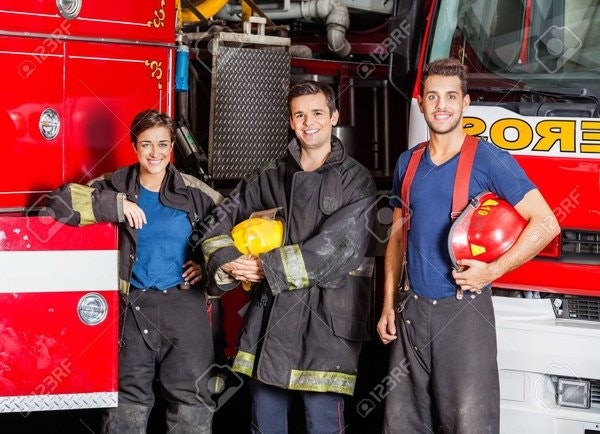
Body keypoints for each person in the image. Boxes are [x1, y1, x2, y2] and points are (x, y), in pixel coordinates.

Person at [376, 58, 560, 434]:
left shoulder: (489, 159)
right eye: (432, 96)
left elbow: (547, 223)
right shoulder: (407, 163)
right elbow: (396, 237)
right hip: (411, 314)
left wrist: (494, 270)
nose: (440, 105)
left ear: (465, 103)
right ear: (422, 104)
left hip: (462, 317)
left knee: (469, 425)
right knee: (403, 424)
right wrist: (388, 305)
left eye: (450, 97)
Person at [200, 80, 377, 434]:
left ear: (333, 117)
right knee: (264, 422)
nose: (308, 122)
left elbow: (338, 249)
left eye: (317, 113)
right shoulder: (271, 174)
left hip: (327, 326)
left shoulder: (356, 180)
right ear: (291, 121)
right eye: (300, 115)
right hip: (271, 320)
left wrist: (263, 267)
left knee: (324, 424)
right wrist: (230, 259)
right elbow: (216, 222)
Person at [48, 109, 223, 433]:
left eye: (162, 144)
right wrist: (115, 204)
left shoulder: (195, 192)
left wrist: (207, 267)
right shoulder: (113, 184)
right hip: (132, 308)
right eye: (146, 144)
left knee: (192, 400)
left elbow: (231, 229)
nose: (154, 153)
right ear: (133, 145)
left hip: (184, 308)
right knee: (127, 401)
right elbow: (59, 202)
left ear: (172, 146)